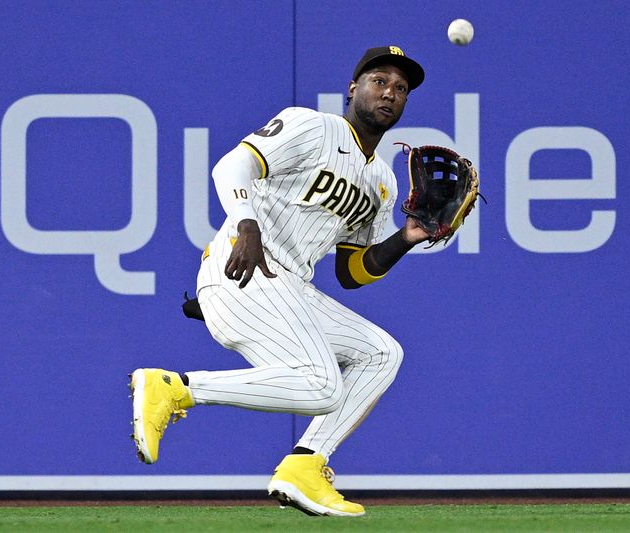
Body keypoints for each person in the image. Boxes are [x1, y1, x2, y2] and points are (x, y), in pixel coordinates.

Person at [130, 46, 428, 517]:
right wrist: (247, 224)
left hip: (289, 284)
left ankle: (304, 467)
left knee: (382, 353)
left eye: (400, 88)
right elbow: (232, 166)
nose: (389, 92)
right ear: (353, 89)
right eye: (379, 80)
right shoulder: (314, 126)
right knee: (323, 385)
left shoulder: (382, 181)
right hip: (243, 267)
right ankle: (178, 386)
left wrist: (407, 238)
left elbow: (350, 273)